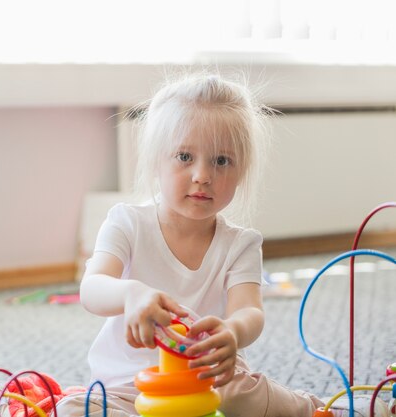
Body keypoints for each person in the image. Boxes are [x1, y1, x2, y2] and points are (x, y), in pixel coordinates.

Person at [55, 73, 381, 417]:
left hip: (210, 379)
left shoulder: (240, 243)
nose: (202, 175)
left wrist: (233, 330)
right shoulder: (126, 222)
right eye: (184, 157)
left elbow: (250, 311)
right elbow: (92, 289)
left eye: (221, 161)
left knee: (247, 393)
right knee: (73, 409)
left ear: (240, 172)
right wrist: (130, 293)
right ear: (155, 161)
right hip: (129, 385)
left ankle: (324, 408)